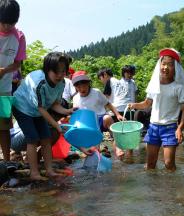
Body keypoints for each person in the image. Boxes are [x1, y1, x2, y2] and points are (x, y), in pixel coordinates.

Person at [12, 52, 73, 180]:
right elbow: (41, 108)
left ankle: (49, 170)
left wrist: (67, 111)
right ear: (47, 70)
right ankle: (34, 173)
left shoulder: (61, 83)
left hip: (39, 109)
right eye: (56, 71)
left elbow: (54, 104)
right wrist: (56, 124)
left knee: (46, 137)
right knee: (32, 138)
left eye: (63, 71)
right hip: (22, 107)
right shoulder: (39, 83)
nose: (60, 75)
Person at [128, 48, 184, 171]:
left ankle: (172, 188)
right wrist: (134, 105)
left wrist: (180, 128)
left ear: (176, 68)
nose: (165, 67)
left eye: (170, 64)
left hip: (170, 128)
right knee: (150, 165)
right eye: (163, 63)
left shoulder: (178, 88)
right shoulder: (154, 85)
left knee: (169, 164)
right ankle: (152, 189)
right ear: (159, 65)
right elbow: (147, 103)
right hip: (153, 128)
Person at [72, 70, 124, 157]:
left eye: (84, 85)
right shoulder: (75, 98)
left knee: (107, 118)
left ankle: (118, 147)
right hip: (89, 125)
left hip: (101, 119)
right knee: (94, 152)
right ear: (75, 87)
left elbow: (108, 104)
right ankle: (98, 152)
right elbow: (76, 115)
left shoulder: (96, 92)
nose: (82, 88)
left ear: (88, 83)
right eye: (78, 86)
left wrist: (118, 114)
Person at [0, 0, 26, 161]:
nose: (7, 27)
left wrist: (4, 71)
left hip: (5, 88)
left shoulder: (19, 36)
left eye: (11, 23)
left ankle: (6, 161)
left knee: (4, 126)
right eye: (3, 23)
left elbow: (18, 63)